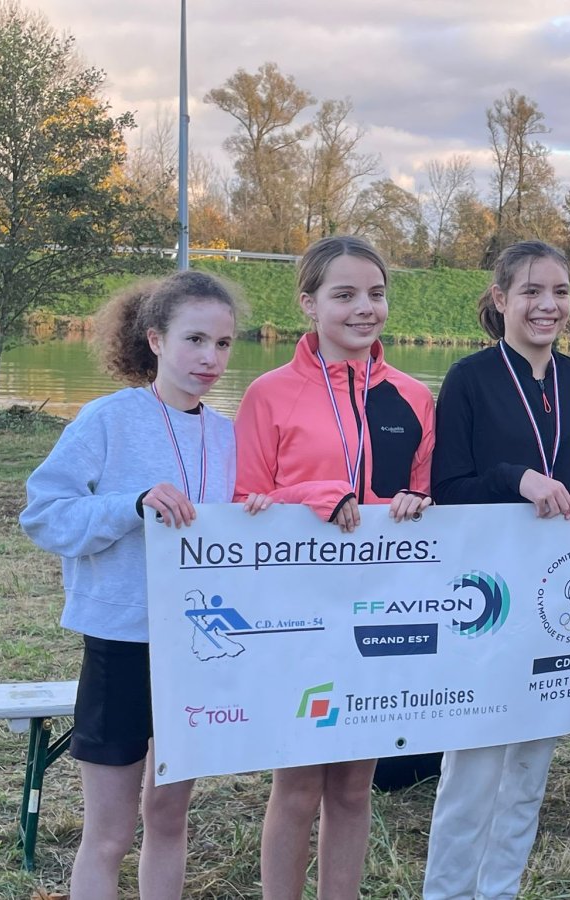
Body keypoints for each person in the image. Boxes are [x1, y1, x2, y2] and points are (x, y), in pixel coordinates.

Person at [20, 271, 258, 900]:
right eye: (194, 340)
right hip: (122, 644)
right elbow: (44, 515)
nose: (210, 358)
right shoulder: (107, 418)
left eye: (223, 344)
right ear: (155, 340)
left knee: (170, 818)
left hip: (198, 649)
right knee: (109, 834)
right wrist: (130, 504)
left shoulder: (228, 435)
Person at [233, 235, 434, 900]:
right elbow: (243, 504)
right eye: (344, 295)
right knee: (296, 787)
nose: (363, 308)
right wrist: (311, 497)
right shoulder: (268, 394)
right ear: (308, 303)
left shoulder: (413, 396)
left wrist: (420, 504)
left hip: (379, 612)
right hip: (298, 616)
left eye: (375, 293)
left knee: (352, 786)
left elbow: (426, 498)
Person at [423, 240, 570, 900]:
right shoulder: (469, 378)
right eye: (531, 291)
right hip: (488, 600)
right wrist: (517, 479)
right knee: (472, 770)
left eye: (559, 292)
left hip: (558, 603)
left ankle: (499, 891)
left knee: (529, 771)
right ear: (501, 299)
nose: (547, 305)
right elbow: (448, 489)